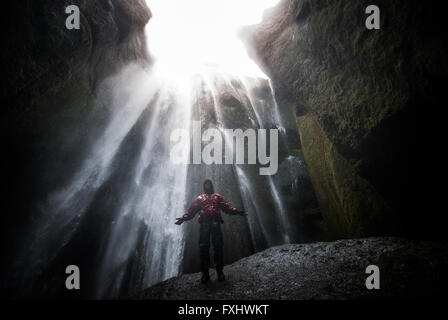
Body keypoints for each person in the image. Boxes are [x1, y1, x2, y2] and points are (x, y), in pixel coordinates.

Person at [175, 179, 246, 283]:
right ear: (204, 186)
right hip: (204, 224)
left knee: (218, 247)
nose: (207, 185)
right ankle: (205, 273)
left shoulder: (217, 196)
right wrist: (183, 218)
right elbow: (192, 211)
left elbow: (226, 207)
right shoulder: (199, 198)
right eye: (205, 184)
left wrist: (236, 211)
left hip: (216, 223)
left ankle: (220, 272)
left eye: (209, 184)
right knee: (203, 248)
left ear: (211, 185)